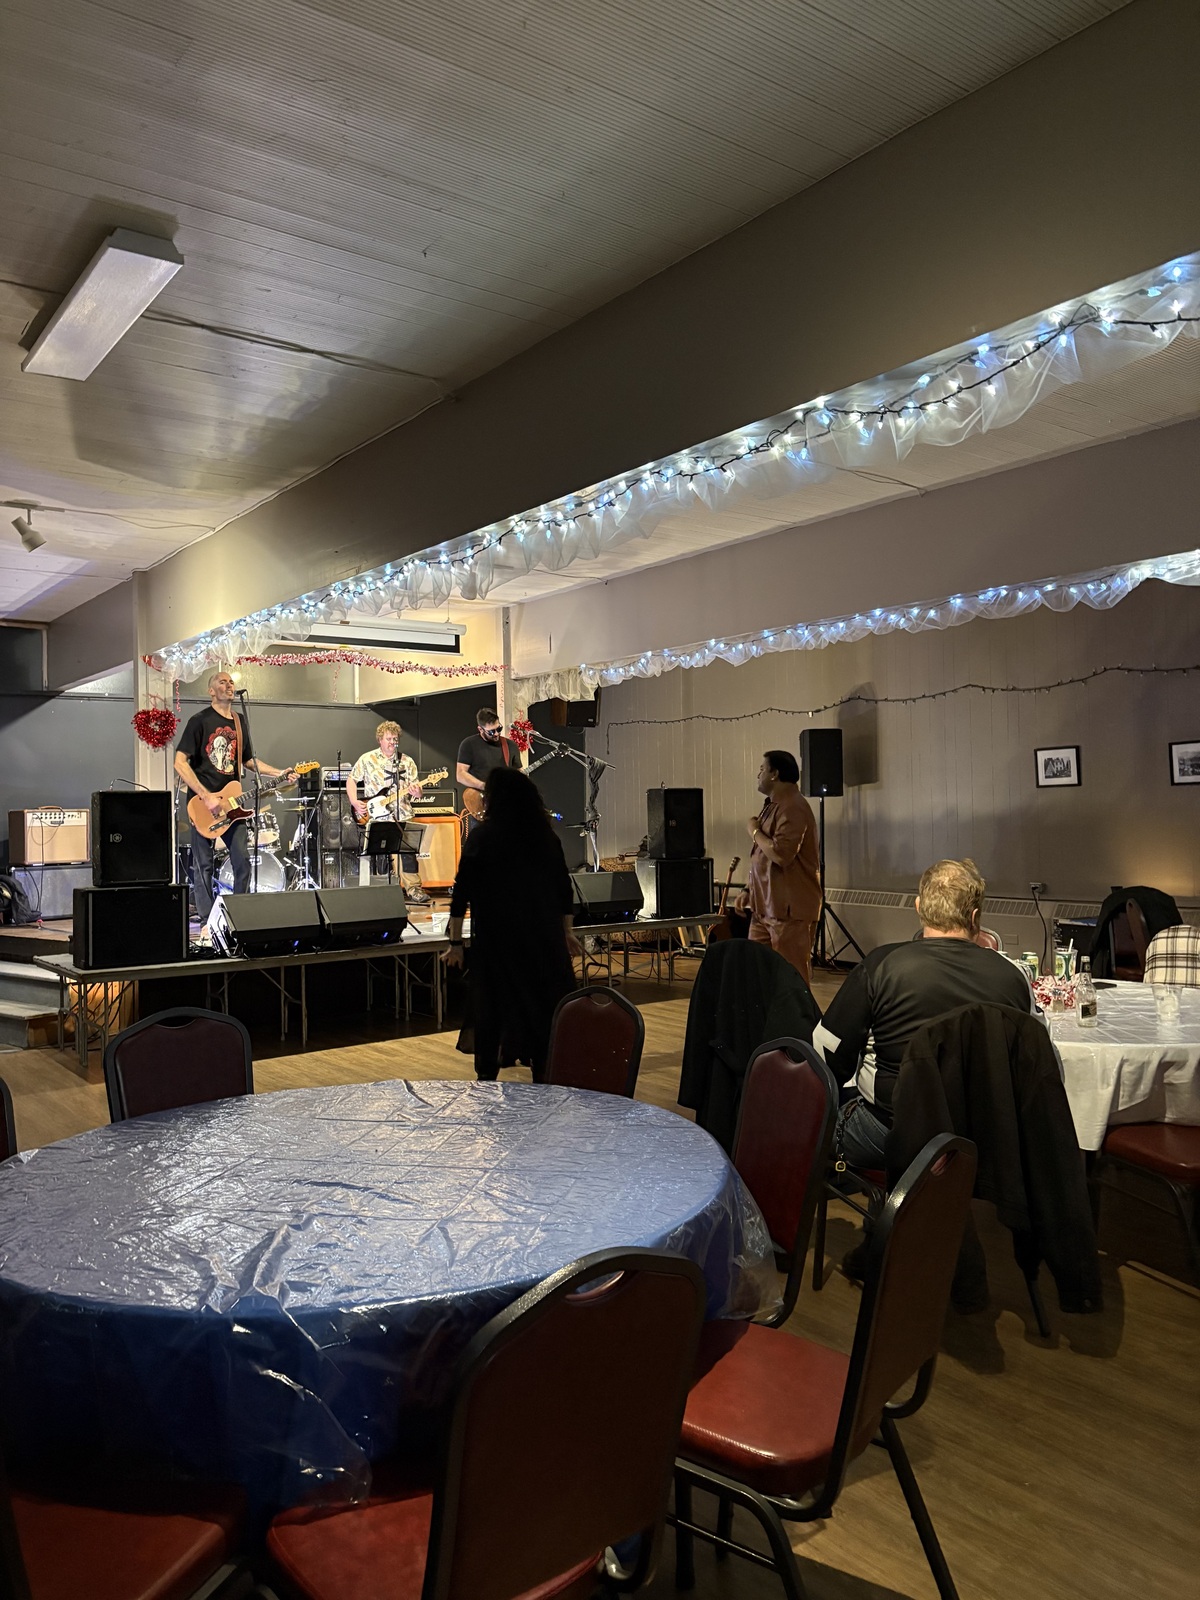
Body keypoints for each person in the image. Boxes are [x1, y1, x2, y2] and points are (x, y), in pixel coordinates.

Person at [818, 858, 1038, 1171]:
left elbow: (825, 1054)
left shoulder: (880, 966)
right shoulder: (1015, 978)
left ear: (919, 908)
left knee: (814, 1121)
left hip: (889, 1133)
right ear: (975, 917)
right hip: (983, 1141)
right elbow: (1038, 1066)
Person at [442, 767, 580, 1081]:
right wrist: (567, 933)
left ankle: (487, 1079)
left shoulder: (483, 837)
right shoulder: (545, 837)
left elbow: (461, 893)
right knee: (541, 1014)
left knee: (492, 1013)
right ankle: (543, 1082)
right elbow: (564, 890)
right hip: (542, 941)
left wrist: (455, 943)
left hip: (496, 942)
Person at [174, 670, 293, 925]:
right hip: (203, 805)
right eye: (222, 682)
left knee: (243, 861)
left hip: (233, 806)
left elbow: (248, 761)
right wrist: (206, 796)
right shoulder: (199, 721)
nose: (229, 685)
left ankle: (238, 917)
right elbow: (179, 762)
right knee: (204, 865)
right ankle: (207, 921)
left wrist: (279, 773)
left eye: (231, 682)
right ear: (211, 691)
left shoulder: (239, 722)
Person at [733, 750, 821, 985]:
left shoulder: (793, 807)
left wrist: (754, 831)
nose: (758, 774)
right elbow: (760, 857)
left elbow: (781, 855)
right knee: (756, 973)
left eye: (762, 769)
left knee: (790, 978)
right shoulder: (773, 806)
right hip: (764, 907)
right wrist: (748, 889)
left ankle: (797, 1012)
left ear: (775, 774)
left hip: (788, 911)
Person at [347, 720, 429, 905]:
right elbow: (351, 780)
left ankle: (413, 889)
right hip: (376, 815)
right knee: (378, 852)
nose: (392, 742)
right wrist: (354, 801)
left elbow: (417, 791)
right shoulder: (367, 759)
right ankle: (381, 889)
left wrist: (417, 791)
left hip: (403, 813)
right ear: (380, 740)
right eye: (389, 739)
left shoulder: (407, 761)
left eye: (395, 739)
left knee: (408, 854)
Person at [456, 708, 522, 827]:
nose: (496, 733)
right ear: (480, 729)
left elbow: (518, 772)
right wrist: (484, 786)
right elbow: (460, 774)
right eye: (491, 732)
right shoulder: (469, 744)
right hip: (482, 804)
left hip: (506, 805)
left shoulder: (510, 746)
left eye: (499, 729)